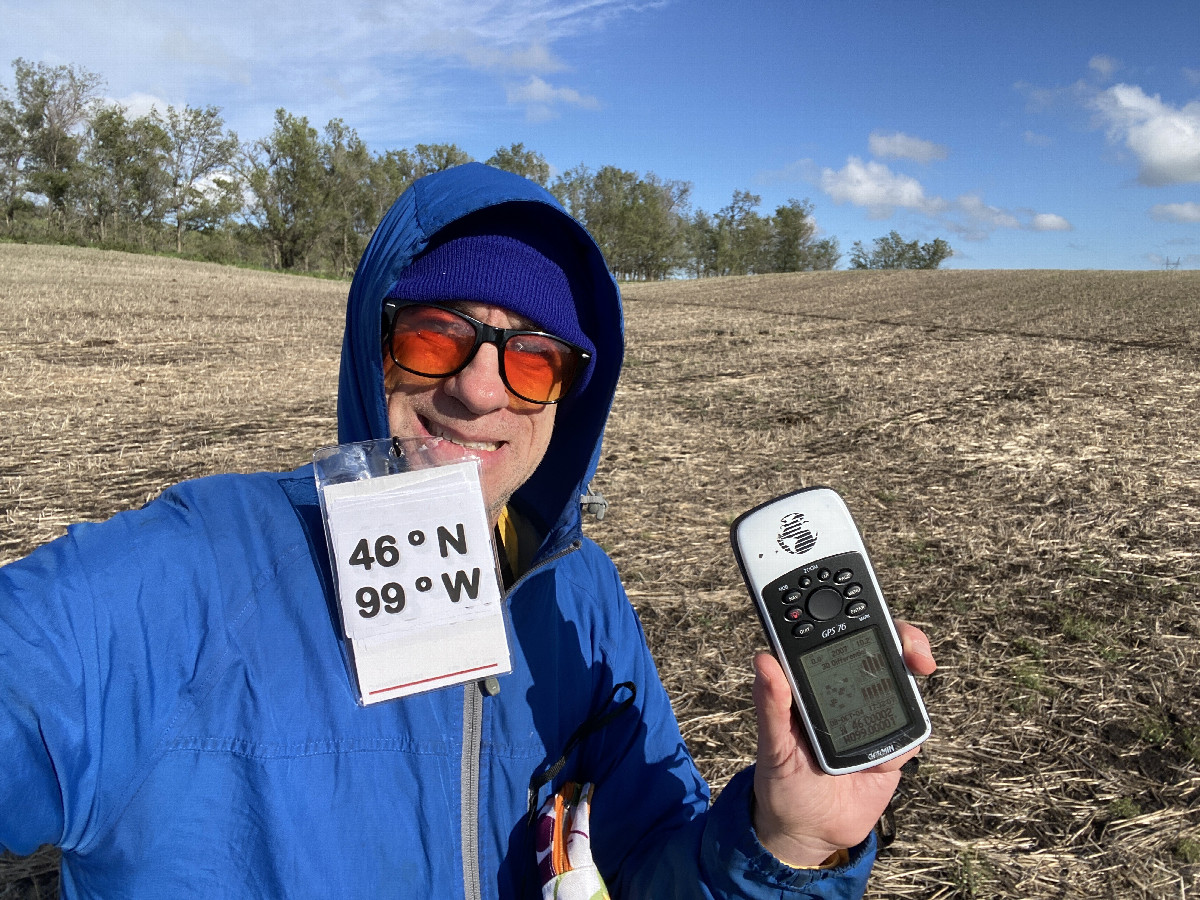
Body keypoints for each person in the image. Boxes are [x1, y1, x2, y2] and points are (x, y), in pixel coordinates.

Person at [0, 162, 936, 898]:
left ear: (574, 395)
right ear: (377, 341)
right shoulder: (197, 566)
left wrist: (788, 842)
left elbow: (652, 864)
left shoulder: (578, 596)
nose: (480, 387)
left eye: (535, 357)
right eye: (437, 334)